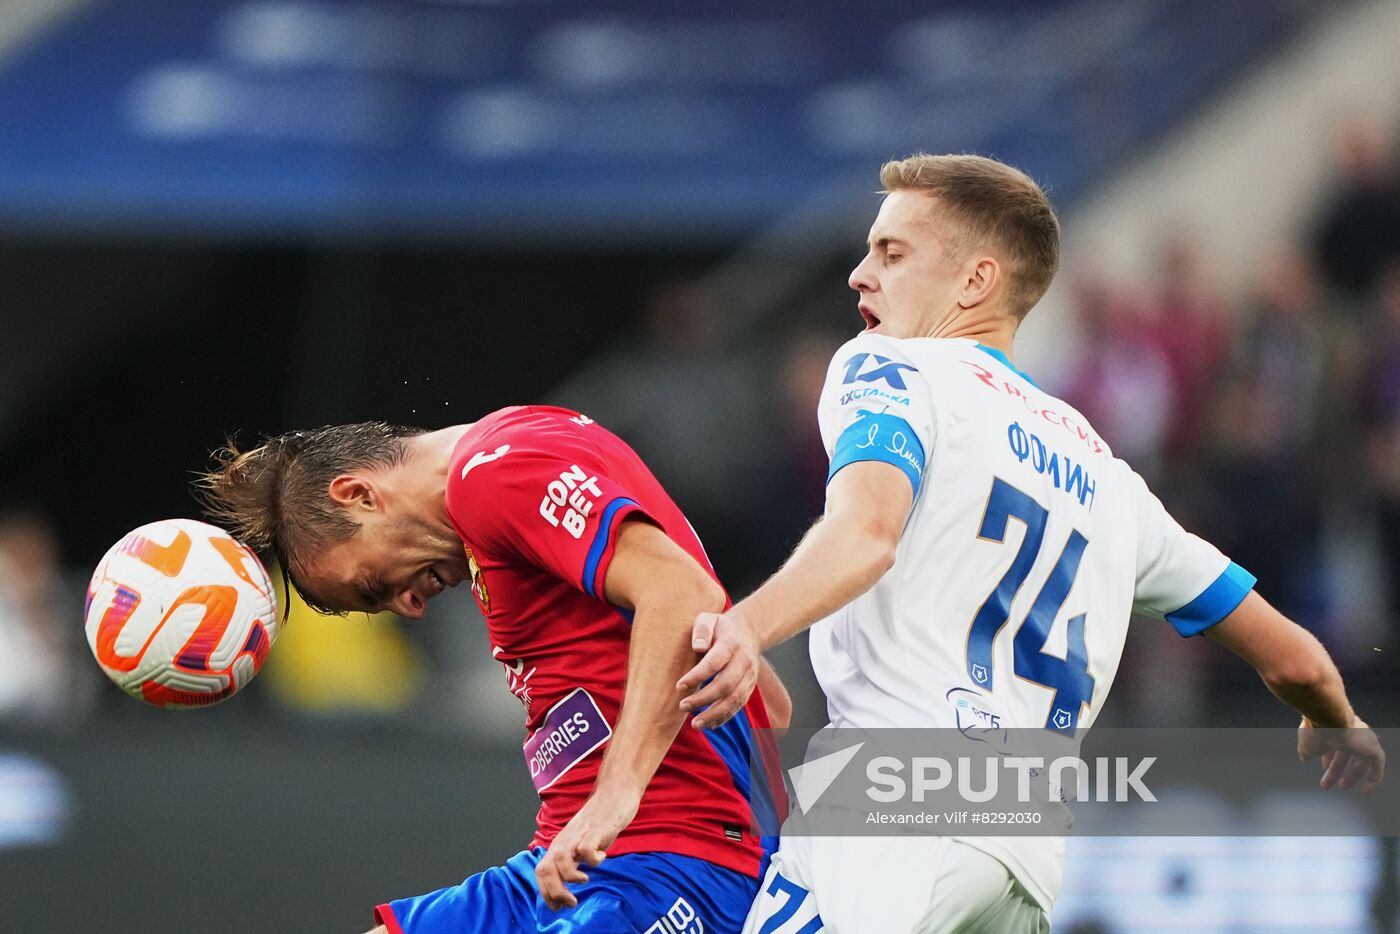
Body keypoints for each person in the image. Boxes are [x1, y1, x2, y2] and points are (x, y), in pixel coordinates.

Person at [675, 153, 1385, 933]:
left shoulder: (892, 368)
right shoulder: (1109, 478)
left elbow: (868, 531)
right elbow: (1296, 660)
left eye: (892, 253)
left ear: (975, 281)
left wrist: (746, 626)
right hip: (1025, 850)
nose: (859, 275)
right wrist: (1332, 718)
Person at [195, 405, 791, 934]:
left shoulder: (491, 476)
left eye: (374, 585)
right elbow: (768, 695)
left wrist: (618, 793)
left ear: (357, 494)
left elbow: (679, 592)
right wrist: (797, 847)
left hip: (666, 862)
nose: (410, 607)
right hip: (571, 865)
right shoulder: (511, 463)